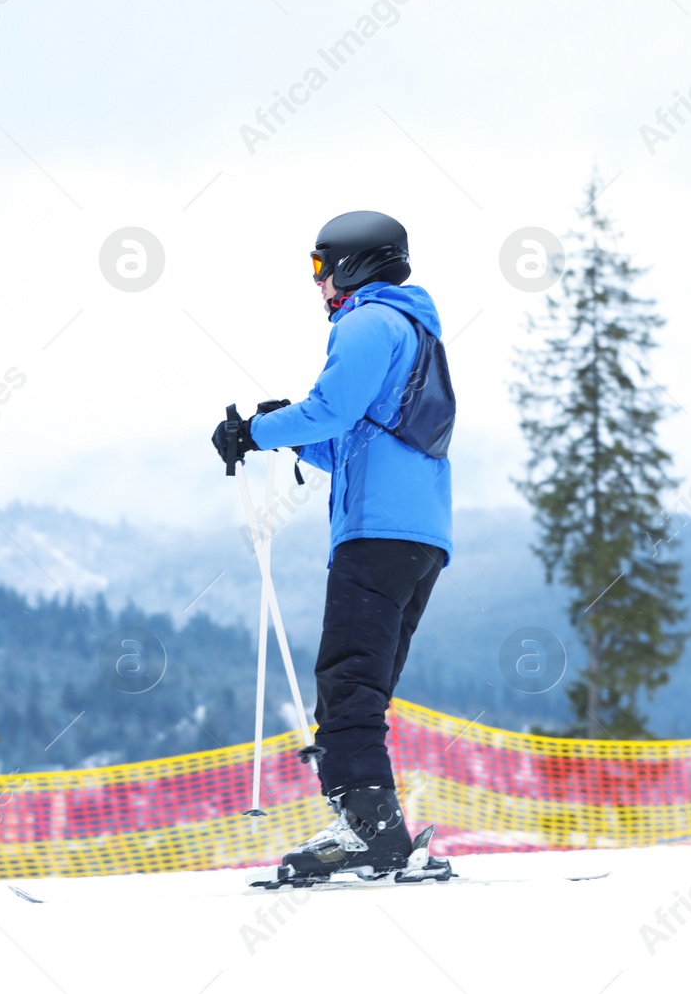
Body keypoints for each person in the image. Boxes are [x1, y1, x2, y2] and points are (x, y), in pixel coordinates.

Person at [211, 209, 455, 880]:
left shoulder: (366, 322)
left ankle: (369, 829)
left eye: (321, 267)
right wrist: (280, 429)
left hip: (376, 532)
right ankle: (372, 823)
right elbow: (352, 440)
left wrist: (256, 431)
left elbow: (331, 411)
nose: (318, 284)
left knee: (346, 680)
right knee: (361, 684)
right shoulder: (411, 329)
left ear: (353, 264)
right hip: (417, 534)